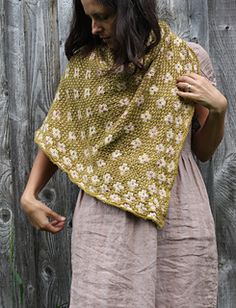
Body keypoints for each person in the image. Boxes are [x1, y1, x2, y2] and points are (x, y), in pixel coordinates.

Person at [21, 0, 227, 307]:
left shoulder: (187, 59)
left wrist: (219, 110)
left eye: (102, 17)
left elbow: (204, 151)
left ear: (132, 9)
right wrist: (29, 195)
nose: (94, 28)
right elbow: (61, 134)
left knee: (181, 295)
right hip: (106, 220)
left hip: (178, 213)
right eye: (89, 18)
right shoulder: (86, 65)